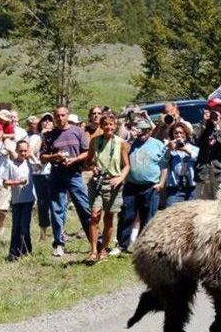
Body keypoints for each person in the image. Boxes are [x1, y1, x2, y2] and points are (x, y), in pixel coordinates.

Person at [40, 106, 92, 257]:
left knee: (84, 207)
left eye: (63, 115)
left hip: (75, 174)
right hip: (57, 174)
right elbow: (42, 157)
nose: (60, 118)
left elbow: (87, 152)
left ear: (67, 116)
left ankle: (95, 241)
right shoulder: (49, 135)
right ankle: (58, 244)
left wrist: (74, 159)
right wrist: (55, 156)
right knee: (57, 209)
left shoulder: (78, 132)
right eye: (57, 116)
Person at [116, 119, 167, 253]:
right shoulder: (130, 144)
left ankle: (144, 246)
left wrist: (161, 183)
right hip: (131, 186)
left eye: (145, 130)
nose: (142, 133)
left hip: (150, 186)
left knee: (148, 217)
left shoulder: (158, 144)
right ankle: (122, 244)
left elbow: (164, 165)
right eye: (140, 130)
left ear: (150, 131)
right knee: (126, 215)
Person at [85, 112, 130, 263]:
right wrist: (93, 167)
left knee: (109, 217)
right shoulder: (95, 141)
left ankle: (104, 248)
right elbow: (88, 161)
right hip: (98, 182)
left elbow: (126, 166)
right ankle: (93, 250)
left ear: (115, 126)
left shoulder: (120, 143)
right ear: (101, 126)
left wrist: (120, 178)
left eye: (111, 124)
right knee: (94, 215)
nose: (108, 127)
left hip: (113, 183)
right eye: (105, 125)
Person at [194, 98, 221, 200]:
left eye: (220, 109)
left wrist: (218, 128)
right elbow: (194, 141)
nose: (217, 112)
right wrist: (204, 124)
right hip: (204, 174)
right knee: (203, 209)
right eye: (214, 109)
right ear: (209, 110)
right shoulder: (202, 126)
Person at [3, 140, 35, 261]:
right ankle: (14, 253)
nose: (23, 153)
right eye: (20, 151)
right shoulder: (10, 164)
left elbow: (41, 167)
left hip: (28, 199)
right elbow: (5, 181)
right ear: (16, 151)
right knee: (16, 227)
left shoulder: (30, 164)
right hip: (16, 200)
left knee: (24, 227)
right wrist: (17, 182)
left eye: (25, 151)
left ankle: (25, 251)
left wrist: (32, 156)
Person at [27, 113, 53, 241]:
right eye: (44, 120)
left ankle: (59, 231)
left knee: (57, 203)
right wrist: (36, 164)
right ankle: (43, 234)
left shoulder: (56, 135)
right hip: (40, 174)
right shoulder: (36, 137)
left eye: (50, 120)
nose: (47, 122)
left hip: (54, 172)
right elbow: (30, 152)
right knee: (42, 204)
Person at [165, 123, 199, 206]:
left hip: (191, 187)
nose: (179, 135)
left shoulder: (193, 148)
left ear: (186, 134)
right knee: (172, 213)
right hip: (175, 188)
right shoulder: (168, 148)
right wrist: (169, 149)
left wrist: (185, 150)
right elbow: (163, 161)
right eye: (176, 133)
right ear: (172, 135)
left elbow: (198, 159)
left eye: (181, 133)